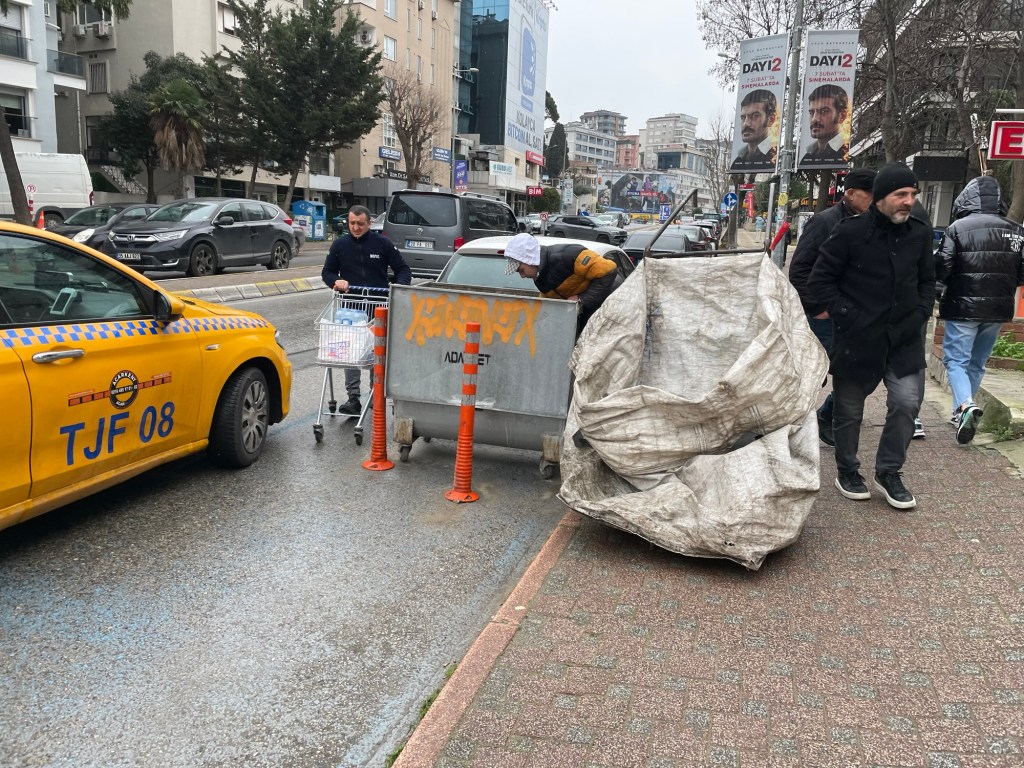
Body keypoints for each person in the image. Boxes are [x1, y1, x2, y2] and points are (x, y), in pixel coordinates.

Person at [807, 163, 935, 510]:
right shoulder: (849, 232)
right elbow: (820, 280)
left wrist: (921, 313)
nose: (909, 201)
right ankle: (847, 470)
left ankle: (889, 472)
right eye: (901, 194)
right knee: (849, 412)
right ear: (880, 197)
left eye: (912, 194)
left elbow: (927, 281)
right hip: (858, 338)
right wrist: (847, 315)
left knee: (907, 403)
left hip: (903, 337)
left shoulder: (920, 233)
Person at [788, 167, 876, 447]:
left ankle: (826, 415)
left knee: (861, 372)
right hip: (826, 316)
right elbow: (799, 270)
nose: (875, 200)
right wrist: (819, 308)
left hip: (857, 315)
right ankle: (792, 427)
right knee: (815, 374)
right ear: (850, 193)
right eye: (870, 194)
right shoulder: (824, 222)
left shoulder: (874, 223)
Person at [935, 175, 1024, 444]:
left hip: (962, 305)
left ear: (967, 199)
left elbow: (943, 266)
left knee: (956, 360)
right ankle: (961, 413)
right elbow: (1022, 273)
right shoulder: (1016, 230)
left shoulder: (957, 228)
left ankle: (965, 406)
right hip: (998, 308)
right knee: (977, 362)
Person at [321, 205, 411, 415]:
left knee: (375, 350)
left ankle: (375, 393)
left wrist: (398, 288)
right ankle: (353, 399)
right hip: (350, 308)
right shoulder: (340, 245)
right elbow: (327, 272)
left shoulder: (382, 244)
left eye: (360, 224)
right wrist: (336, 281)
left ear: (369, 223)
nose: (355, 227)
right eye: (352, 223)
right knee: (350, 352)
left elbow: (403, 270)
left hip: (378, 307)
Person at [503, 232, 622, 335]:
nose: (522, 275)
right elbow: (550, 301)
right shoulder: (539, 277)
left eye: (521, 270)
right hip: (586, 310)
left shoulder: (568, 255)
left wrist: (582, 299)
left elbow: (609, 271)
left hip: (610, 301)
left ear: (529, 259)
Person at [799, 85, 850, 167]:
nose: (814, 119)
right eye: (811, 112)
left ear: (842, 116)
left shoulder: (847, 152)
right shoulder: (807, 158)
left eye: (824, 111)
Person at [730, 90, 778, 171]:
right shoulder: (737, 162)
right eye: (743, 117)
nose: (746, 124)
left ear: (771, 120)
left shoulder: (777, 157)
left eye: (754, 116)